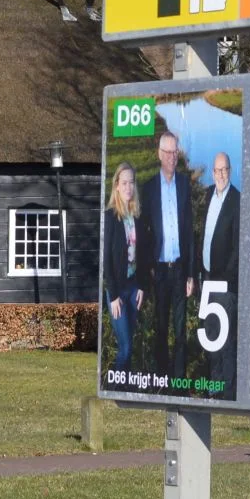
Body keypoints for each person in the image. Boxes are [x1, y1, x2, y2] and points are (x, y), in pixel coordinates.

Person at [134, 125, 196, 379]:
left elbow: (190, 231)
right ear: (159, 154)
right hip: (159, 270)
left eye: (175, 153)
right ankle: (162, 378)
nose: (171, 157)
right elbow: (143, 232)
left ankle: (179, 379)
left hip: (180, 268)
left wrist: (191, 274)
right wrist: (146, 265)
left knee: (180, 329)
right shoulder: (148, 188)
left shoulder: (183, 185)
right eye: (167, 152)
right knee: (161, 327)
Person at [195, 150, 239, 388]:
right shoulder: (206, 196)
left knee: (226, 337)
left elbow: (237, 248)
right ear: (212, 172)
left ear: (229, 171)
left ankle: (227, 389)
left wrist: (224, 279)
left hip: (225, 283)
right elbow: (200, 236)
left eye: (224, 170)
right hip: (206, 279)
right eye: (217, 170)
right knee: (211, 333)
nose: (220, 174)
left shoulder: (237, 201)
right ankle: (214, 386)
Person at [102, 163, 142, 371]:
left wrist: (141, 286)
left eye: (131, 183)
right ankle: (114, 387)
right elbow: (106, 259)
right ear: (117, 185)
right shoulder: (110, 217)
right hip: (117, 291)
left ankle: (125, 386)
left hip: (133, 288)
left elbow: (143, 255)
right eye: (124, 182)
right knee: (125, 346)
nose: (128, 187)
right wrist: (114, 295)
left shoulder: (136, 217)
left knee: (131, 344)